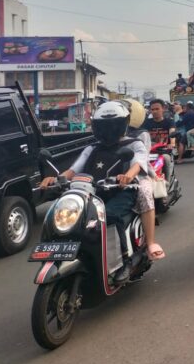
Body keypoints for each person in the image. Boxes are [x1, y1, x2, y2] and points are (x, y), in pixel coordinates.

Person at [40, 102, 165, 280]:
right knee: (68, 220)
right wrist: (55, 178)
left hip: (123, 191)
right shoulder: (92, 148)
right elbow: (72, 171)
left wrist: (127, 176)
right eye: (105, 126)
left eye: (113, 126)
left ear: (123, 124)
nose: (109, 130)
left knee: (111, 216)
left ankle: (125, 261)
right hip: (93, 192)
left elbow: (138, 163)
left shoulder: (134, 144)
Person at [142, 98, 176, 182]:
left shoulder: (169, 122)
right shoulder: (145, 123)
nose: (154, 111)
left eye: (157, 109)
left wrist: (172, 143)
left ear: (163, 109)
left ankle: (166, 183)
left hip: (164, 152)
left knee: (166, 158)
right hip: (148, 152)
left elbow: (172, 132)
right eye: (152, 109)